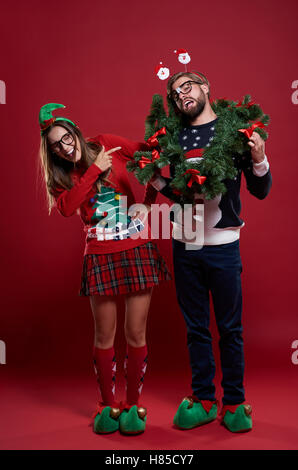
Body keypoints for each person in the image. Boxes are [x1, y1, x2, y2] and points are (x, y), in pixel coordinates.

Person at [149, 72, 272, 433]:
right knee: (196, 328)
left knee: (230, 328)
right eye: (174, 93)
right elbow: (182, 194)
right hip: (185, 243)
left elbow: (261, 190)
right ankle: (203, 398)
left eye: (187, 86)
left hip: (222, 247)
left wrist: (261, 158)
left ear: (205, 88)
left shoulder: (235, 132)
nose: (179, 95)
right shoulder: (173, 137)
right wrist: (157, 182)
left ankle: (234, 401)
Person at [39, 103, 171, 435]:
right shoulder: (61, 177)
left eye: (66, 137)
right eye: (56, 145)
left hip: (137, 248)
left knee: (136, 333)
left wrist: (148, 201)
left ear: (75, 132)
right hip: (99, 254)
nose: (65, 146)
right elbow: (69, 208)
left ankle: (133, 404)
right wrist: (95, 170)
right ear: (51, 151)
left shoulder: (106, 144)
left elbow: (150, 157)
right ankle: (106, 404)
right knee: (103, 336)